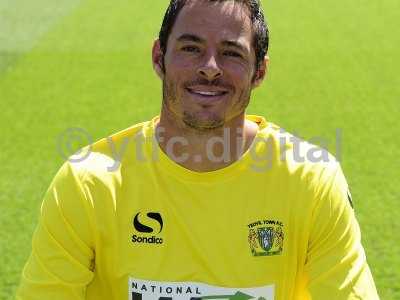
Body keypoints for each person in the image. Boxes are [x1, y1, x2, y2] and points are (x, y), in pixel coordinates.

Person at [17, 0, 380, 299]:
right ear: (159, 57)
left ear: (259, 72)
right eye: (191, 48)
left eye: (231, 53)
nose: (209, 68)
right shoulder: (88, 184)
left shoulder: (312, 182)